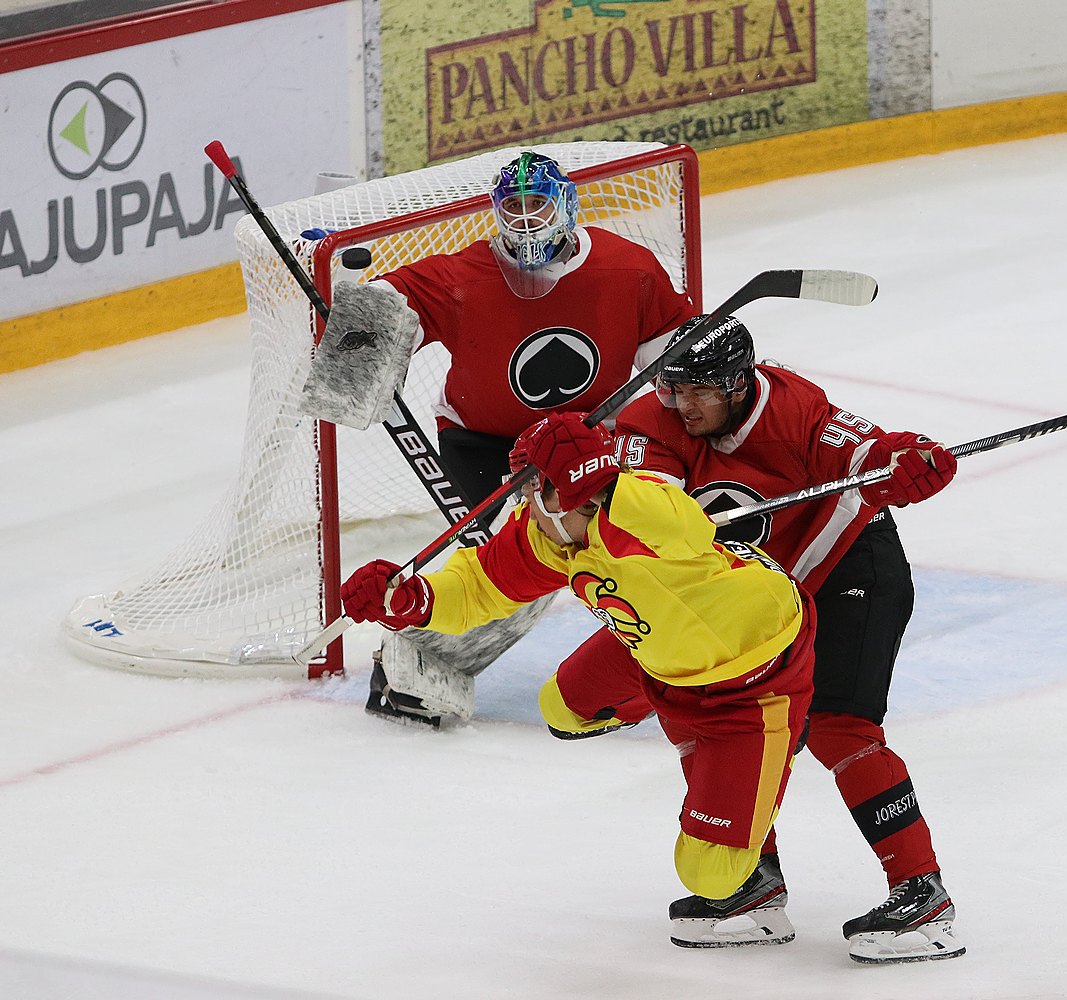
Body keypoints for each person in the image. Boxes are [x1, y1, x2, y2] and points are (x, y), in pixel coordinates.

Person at [338, 412, 816, 928]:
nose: (518, 502)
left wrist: (605, 485)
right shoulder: (549, 536)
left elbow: (682, 527)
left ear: (563, 492)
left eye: (527, 490)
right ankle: (676, 711)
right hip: (659, 652)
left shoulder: (643, 508)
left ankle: (773, 741)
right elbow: (479, 585)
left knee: (710, 874)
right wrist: (411, 601)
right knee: (561, 708)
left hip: (756, 670)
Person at [611, 313, 964, 964]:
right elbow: (644, 510)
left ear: (740, 384)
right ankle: (751, 884)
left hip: (847, 569)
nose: (681, 405)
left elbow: (870, 451)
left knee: (839, 728)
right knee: (721, 722)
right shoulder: (648, 423)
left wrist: (900, 461)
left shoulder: (794, 407)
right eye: (672, 389)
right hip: (755, 599)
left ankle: (922, 894)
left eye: (700, 391)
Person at [320, 150, 695, 727]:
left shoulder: (630, 270)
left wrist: (632, 447)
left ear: (567, 208)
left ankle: (677, 660)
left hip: (588, 444)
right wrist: (354, 327)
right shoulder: (466, 277)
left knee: (632, 542)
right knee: (514, 555)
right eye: (512, 209)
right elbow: (394, 303)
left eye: (537, 206)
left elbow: (670, 375)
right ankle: (410, 669)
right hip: (483, 442)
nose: (525, 222)